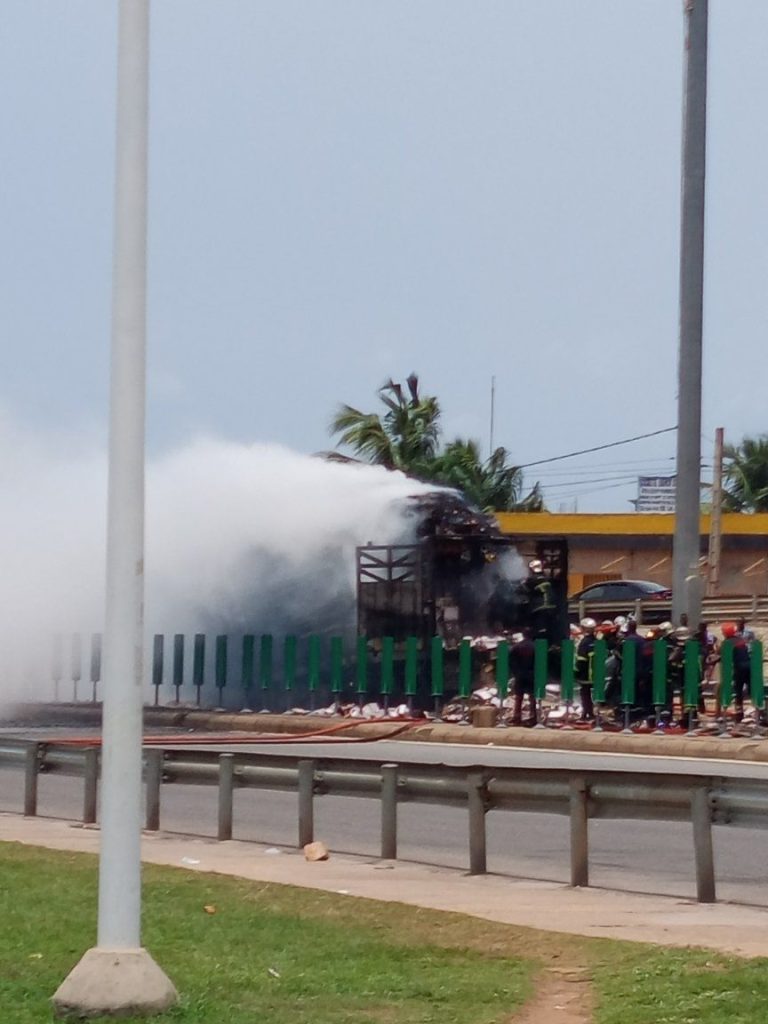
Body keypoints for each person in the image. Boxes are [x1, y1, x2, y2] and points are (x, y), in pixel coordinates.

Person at [525, 559, 557, 644]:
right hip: (552, 608)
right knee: (549, 630)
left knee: (539, 632)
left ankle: (540, 648)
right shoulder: (548, 578)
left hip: (539, 608)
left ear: (531, 569)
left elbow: (523, 590)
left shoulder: (531, 580)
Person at [510, 627, 537, 726]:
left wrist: (515, 673)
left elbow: (511, 661)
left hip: (520, 675)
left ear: (523, 635)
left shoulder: (517, 647)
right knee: (532, 697)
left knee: (518, 697)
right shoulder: (535, 647)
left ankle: (516, 718)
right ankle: (533, 718)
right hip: (531, 674)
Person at [575, 617, 597, 721]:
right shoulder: (597, 641)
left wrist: (577, 672)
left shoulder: (584, 642)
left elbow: (581, 660)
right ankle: (590, 713)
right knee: (591, 695)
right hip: (597, 673)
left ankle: (587, 713)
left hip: (586, 674)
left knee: (585, 694)